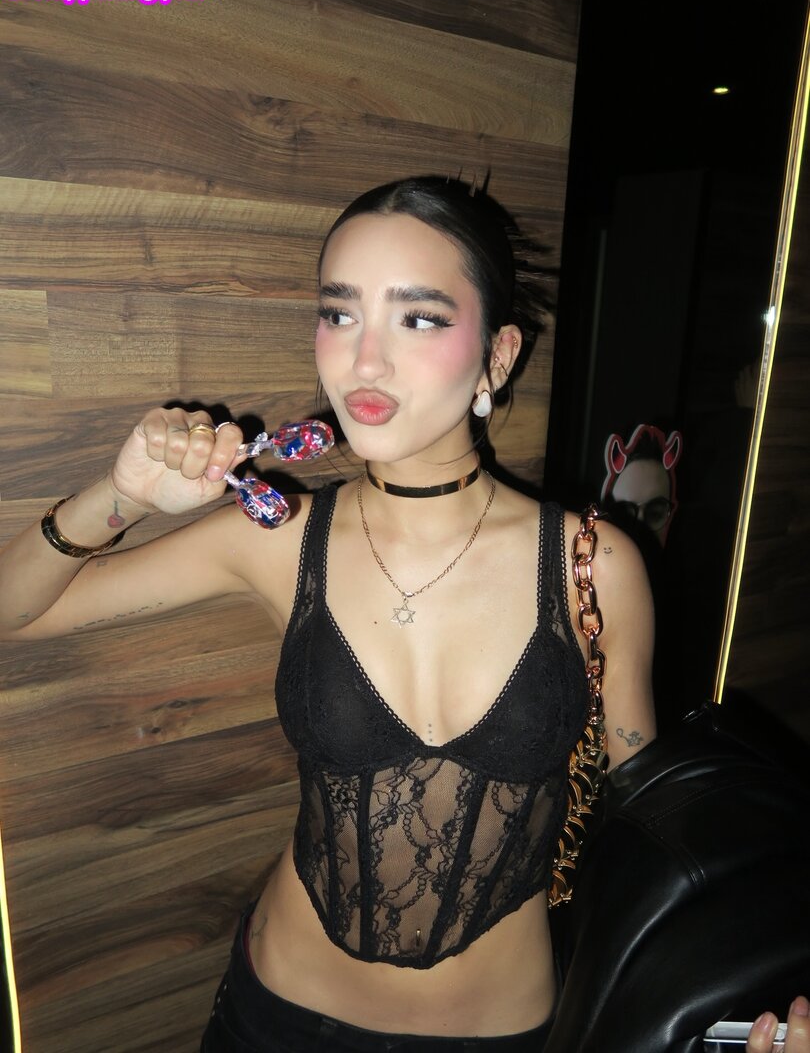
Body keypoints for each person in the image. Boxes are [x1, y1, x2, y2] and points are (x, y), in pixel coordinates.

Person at [0, 177, 791, 1052]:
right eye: (340, 314)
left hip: (504, 1035)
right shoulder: (280, 538)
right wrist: (122, 495)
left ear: (497, 356)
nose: (365, 361)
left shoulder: (591, 566)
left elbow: (650, 815)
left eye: (417, 318)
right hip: (277, 1019)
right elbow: (18, 613)